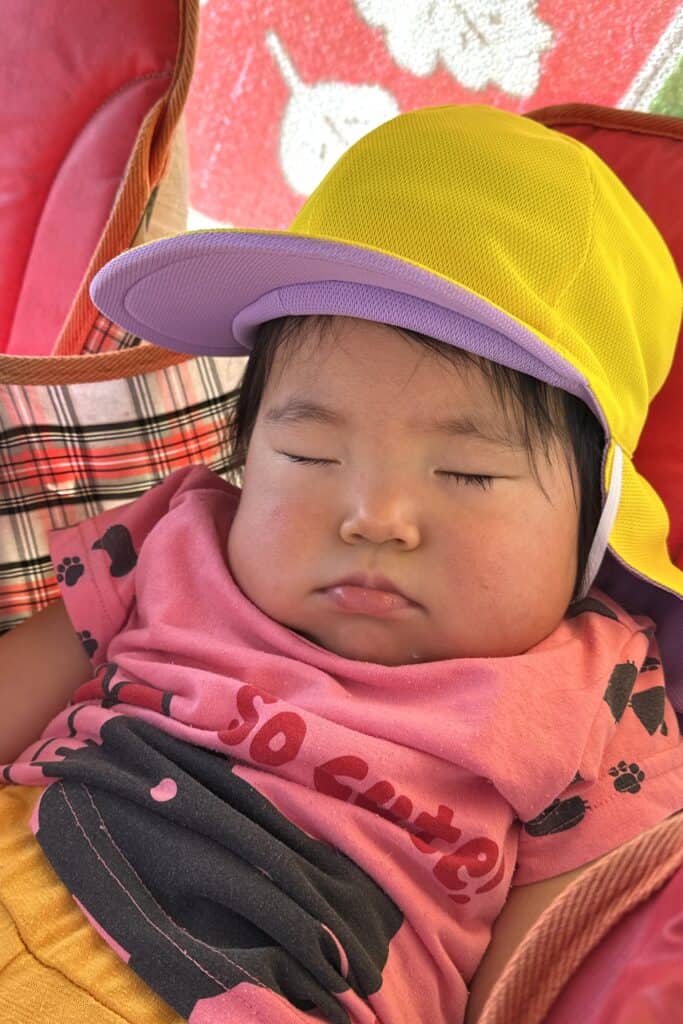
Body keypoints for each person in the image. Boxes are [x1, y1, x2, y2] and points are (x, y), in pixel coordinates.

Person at [1, 104, 682, 1024]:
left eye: (467, 473)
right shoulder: (176, 537)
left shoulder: (599, 697)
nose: (374, 519)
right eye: (309, 454)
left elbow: (537, 985)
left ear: (595, 514)